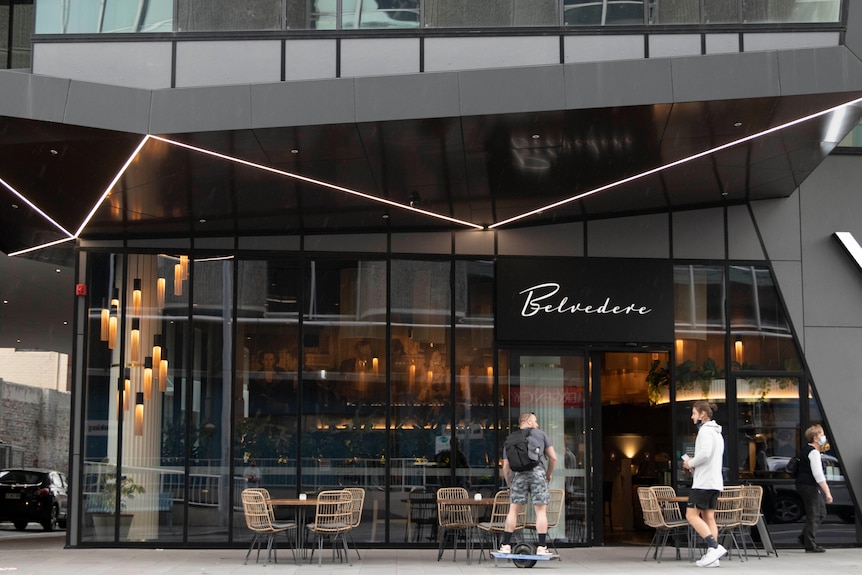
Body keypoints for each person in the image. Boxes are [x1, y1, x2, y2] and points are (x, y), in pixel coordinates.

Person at [498, 412, 558, 556]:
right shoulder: (541, 434)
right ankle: (542, 547)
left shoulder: (511, 438)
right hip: (538, 473)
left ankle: (506, 545)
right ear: (529, 422)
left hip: (519, 475)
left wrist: (509, 483)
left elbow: (506, 467)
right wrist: (548, 475)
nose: (537, 424)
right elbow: (553, 458)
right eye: (535, 421)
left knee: (513, 510)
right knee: (540, 512)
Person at [683, 400, 727, 568]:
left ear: (702, 414)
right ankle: (713, 557)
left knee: (691, 515)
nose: (692, 416)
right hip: (715, 481)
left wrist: (690, 463)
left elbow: (705, 455)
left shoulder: (705, 432)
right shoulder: (717, 433)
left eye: (694, 413)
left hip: (703, 482)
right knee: (709, 517)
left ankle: (714, 547)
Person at [796, 424, 833, 553]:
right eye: (822, 435)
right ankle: (810, 545)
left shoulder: (807, 450)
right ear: (816, 439)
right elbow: (818, 474)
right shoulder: (813, 452)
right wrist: (827, 492)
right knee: (815, 514)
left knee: (821, 512)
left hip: (806, 485)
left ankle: (804, 537)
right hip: (808, 485)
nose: (824, 438)